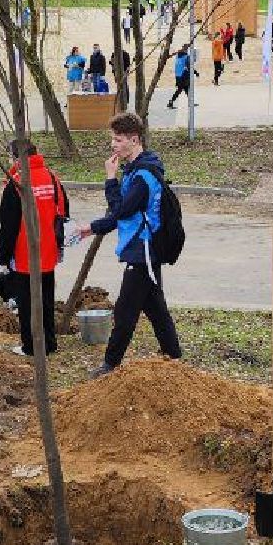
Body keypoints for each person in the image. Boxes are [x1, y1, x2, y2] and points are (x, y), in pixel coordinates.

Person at [80, 113, 181, 376]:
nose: (113, 144)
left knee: (125, 311)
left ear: (134, 140)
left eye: (118, 140)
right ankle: (175, 358)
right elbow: (122, 213)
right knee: (156, 309)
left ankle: (110, 365)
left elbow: (121, 211)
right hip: (141, 249)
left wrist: (110, 179)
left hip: (143, 251)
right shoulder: (135, 170)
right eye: (113, 139)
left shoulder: (142, 177)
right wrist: (93, 228)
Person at [0, 138, 69, 357]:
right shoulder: (52, 177)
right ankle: (50, 342)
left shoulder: (17, 183)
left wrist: (3, 255)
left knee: (27, 303)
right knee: (46, 298)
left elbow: (8, 225)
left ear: (16, 157)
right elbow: (64, 211)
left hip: (24, 252)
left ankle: (31, 346)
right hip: (49, 250)